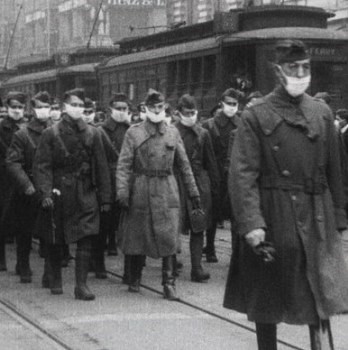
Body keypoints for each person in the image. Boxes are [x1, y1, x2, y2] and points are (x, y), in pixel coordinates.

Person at [223, 39, 348, 350]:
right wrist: (252, 223)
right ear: (278, 72)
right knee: (268, 296)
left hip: (317, 214)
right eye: (293, 67)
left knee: (319, 292)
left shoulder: (321, 113)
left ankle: (320, 346)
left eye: (305, 67)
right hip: (273, 213)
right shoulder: (256, 115)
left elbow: (336, 171)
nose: (301, 73)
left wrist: (340, 218)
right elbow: (242, 174)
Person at [116, 89, 200, 300]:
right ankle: (135, 277)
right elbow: (124, 165)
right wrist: (123, 192)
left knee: (169, 237)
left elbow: (184, 164)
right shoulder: (133, 133)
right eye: (153, 107)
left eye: (160, 107)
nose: (156, 111)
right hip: (142, 187)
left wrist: (193, 191)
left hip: (166, 188)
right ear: (145, 108)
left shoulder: (172, 132)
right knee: (138, 235)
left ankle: (169, 283)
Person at [33, 88, 111, 300]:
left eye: (81, 106)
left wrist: (105, 198)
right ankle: (56, 279)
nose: (78, 109)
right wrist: (46, 192)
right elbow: (42, 166)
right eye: (74, 105)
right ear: (64, 107)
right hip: (60, 192)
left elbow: (101, 166)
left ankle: (81, 286)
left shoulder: (93, 133)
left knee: (86, 236)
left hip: (86, 191)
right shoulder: (51, 133)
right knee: (58, 237)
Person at [6, 91, 51, 283]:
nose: (43, 111)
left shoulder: (56, 131)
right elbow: (12, 162)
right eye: (39, 107)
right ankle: (23, 264)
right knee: (25, 230)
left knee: (50, 231)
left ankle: (50, 271)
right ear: (32, 110)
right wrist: (26, 184)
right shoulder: (22, 134)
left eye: (46, 107)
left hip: (48, 187)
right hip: (29, 189)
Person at [174, 94, 220, 282]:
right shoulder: (171, 132)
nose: (191, 115)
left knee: (198, 225)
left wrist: (215, 187)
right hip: (177, 182)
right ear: (179, 113)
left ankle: (197, 268)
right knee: (173, 224)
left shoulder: (203, 133)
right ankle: (170, 263)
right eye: (187, 112)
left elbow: (211, 161)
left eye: (194, 112)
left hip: (200, 183)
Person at [202, 87, 244, 262]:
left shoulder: (241, 123)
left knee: (235, 214)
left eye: (235, 104)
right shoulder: (210, 125)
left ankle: (235, 252)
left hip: (233, 173)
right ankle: (210, 248)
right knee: (212, 212)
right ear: (221, 103)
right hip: (215, 172)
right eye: (229, 103)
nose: (232, 107)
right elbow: (204, 152)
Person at [93, 92, 131, 280]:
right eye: (118, 108)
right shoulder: (101, 131)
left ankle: (128, 269)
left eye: (125, 109)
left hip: (126, 183)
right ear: (110, 110)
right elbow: (99, 161)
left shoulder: (132, 129)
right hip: (107, 182)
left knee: (126, 227)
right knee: (103, 226)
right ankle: (98, 263)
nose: (122, 112)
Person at [0, 91, 27, 272]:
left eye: (20, 107)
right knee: (2, 219)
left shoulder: (27, 128)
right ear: (7, 108)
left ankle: (22, 262)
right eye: (13, 107)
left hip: (24, 178)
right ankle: (1, 259)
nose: (17, 110)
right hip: (3, 179)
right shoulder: (1, 128)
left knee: (24, 222)